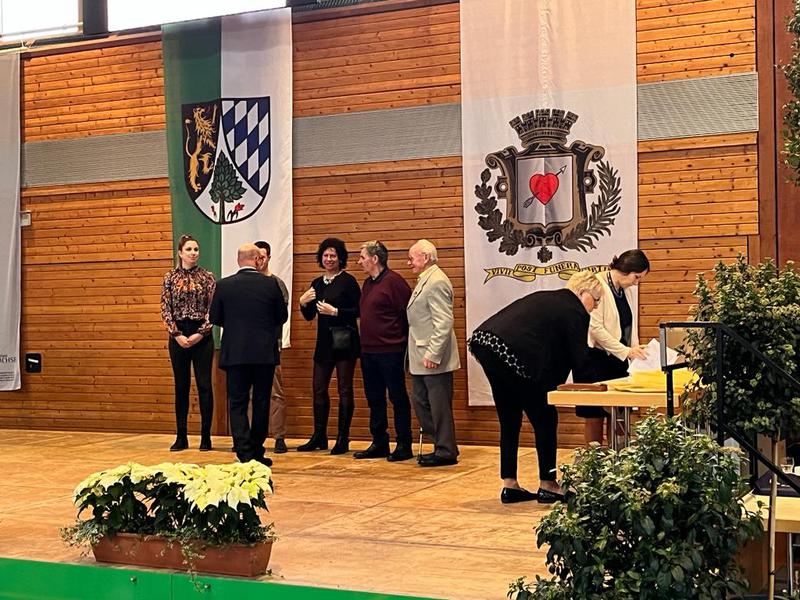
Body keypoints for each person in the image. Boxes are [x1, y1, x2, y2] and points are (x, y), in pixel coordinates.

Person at [467, 270, 600, 504]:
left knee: (510, 418)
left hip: (486, 344)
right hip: (513, 353)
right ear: (582, 292)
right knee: (545, 418)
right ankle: (548, 484)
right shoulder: (574, 309)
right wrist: (593, 395)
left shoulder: (549, 298)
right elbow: (579, 358)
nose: (596, 306)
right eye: (596, 300)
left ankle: (510, 484)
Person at [209, 244, 288, 466]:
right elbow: (281, 316)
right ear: (256, 260)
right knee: (262, 402)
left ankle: (244, 451)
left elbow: (215, 317)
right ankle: (257, 450)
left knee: (238, 402)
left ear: (238, 260)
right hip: (264, 353)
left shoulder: (223, 285)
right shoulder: (271, 284)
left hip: (236, 353)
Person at [578, 250, 650, 446]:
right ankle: (594, 458)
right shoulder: (597, 285)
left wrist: (635, 349)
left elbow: (629, 324)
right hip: (595, 358)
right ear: (626, 270)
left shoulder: (626, 291)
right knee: (594, 413)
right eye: (636, 277)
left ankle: (618, 455)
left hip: (618, 359)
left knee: (619, 410)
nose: (637, 283)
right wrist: (625, 350)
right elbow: (595, 328)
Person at [298, 237, 361, 455]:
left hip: (344, 341)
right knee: (318, 388)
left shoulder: (349, 281)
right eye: (325, 255)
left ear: (340, 258)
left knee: (344, 389)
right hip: (324, 343)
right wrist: (302, 302)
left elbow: (359, 310)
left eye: (333, 255)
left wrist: (336, 312)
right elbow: (309, 315)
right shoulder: (317, 283)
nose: (329, 259)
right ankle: (319, 435)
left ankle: (343, 438)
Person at [354, 241, 414, 462]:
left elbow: (408, 314)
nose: (359, 261)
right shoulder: (367, 284)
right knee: (374, 398)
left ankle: (404, 444)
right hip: (368, 351)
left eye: (362, 257)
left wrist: (402, 342)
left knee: (397, 397)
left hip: (391, 350)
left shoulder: (394, 282)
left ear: (374, 259)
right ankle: (379, 441)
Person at [160, 234, 216, 452]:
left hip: (202, 336)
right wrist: (176, 334)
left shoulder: (207, 277)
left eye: (196, 249)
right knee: (181, 386)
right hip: (179, 335)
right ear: (180, 253)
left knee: (204, 385)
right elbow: (165, 308)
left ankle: (206, 437)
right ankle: (181, 436)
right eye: (189, 249)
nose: (193, 253)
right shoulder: (170, 277)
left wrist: (201, 333)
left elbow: (213, 309)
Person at [406, 239, 460, 467]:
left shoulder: (436, 281)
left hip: (432, 357)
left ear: (426, 257)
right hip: (421, 356)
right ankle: (443, 444)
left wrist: (433, 354)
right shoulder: (426, 279)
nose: (409, 263)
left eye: (412, 258)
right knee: (421, 402)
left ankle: (445, 450)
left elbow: (444, 322)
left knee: (438, 406)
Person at [255, 240, 290, 454]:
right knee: (250, 393)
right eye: (256, 257)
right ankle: (248, 437)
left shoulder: (277, 284)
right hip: (249, 347)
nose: (259, 260)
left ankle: (279, 436)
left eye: (263, 256)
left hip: (271, 345)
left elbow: (281, 316)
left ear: (268, 257)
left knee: (276, 392)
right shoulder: (246, 282)